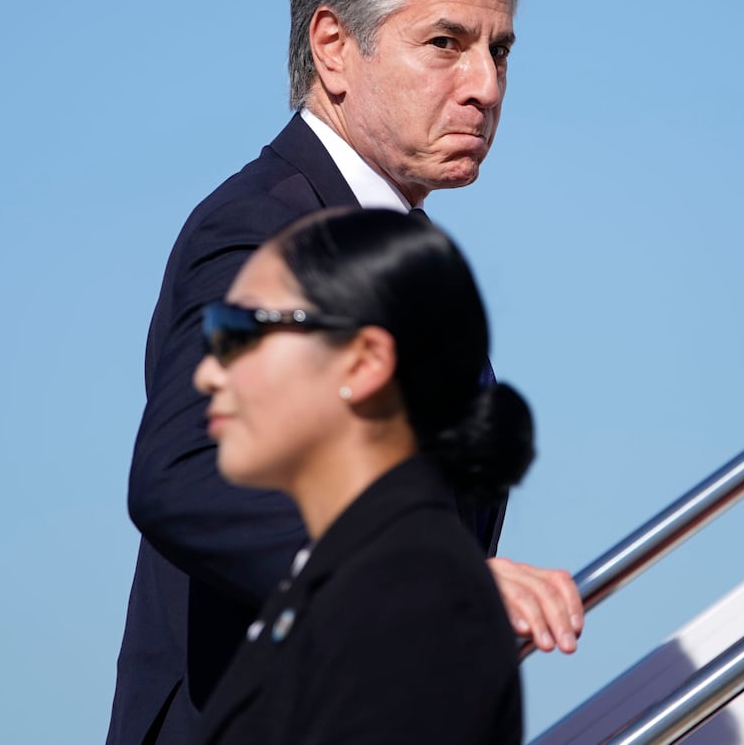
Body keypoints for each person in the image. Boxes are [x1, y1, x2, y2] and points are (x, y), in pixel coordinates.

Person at [110, 0, 583, 745]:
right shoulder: (263, 229)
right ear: (333, 47)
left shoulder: (401, 255)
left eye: (501, 50)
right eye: (446, 43)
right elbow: (184, 468)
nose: (484, 84)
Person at [193, 208, 528, 743]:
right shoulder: (348, 575)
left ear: (363, 362)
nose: (207, 372)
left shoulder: (407, 598)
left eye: (240, 332)